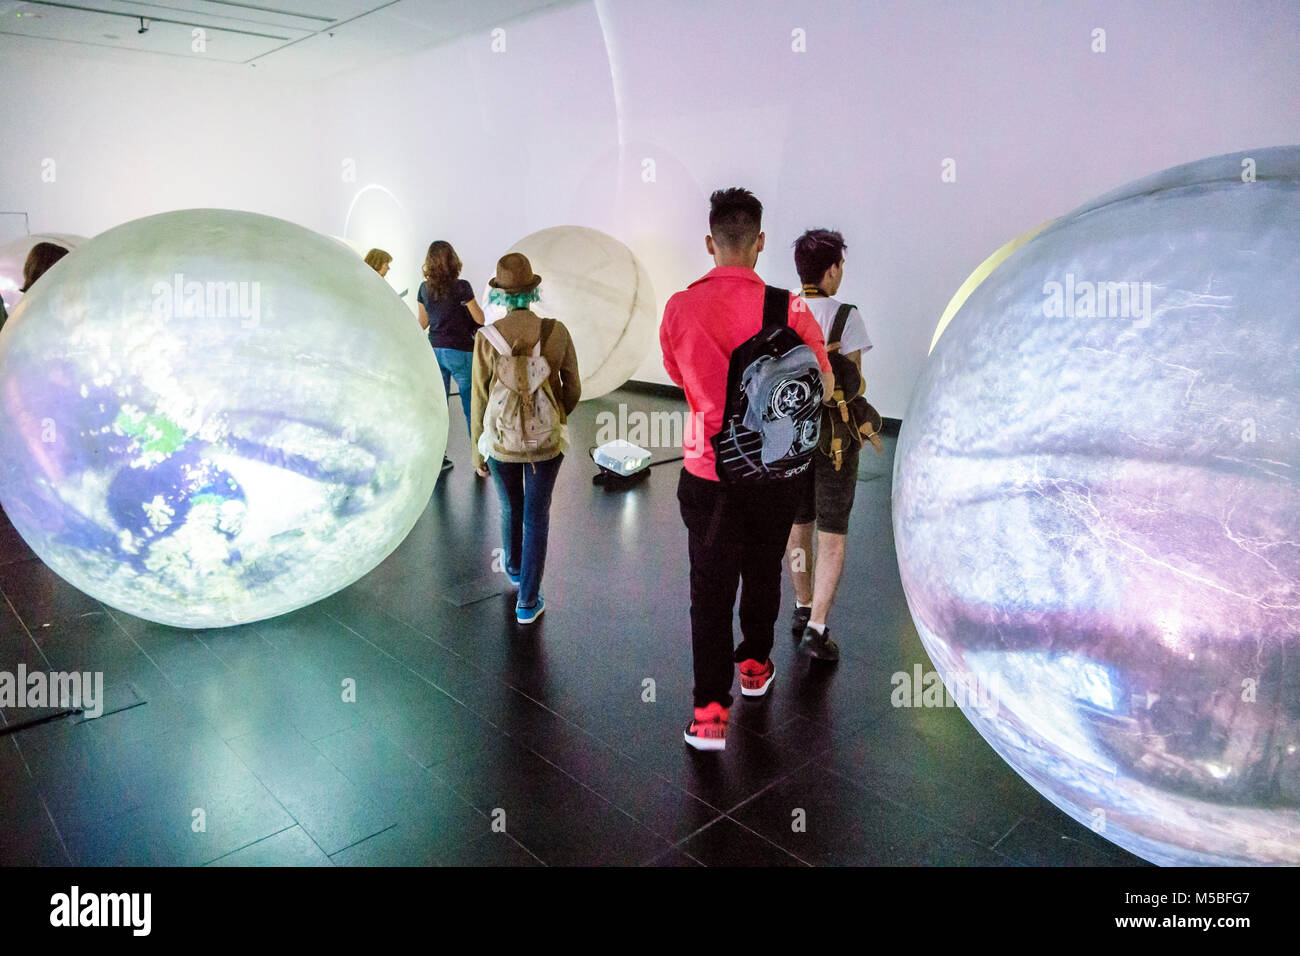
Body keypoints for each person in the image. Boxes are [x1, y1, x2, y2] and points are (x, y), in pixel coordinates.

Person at [660, 188, 833, 751]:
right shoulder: (792, 308)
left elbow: (684, 384)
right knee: (763, 571)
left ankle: (710, 714)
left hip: (709, 473)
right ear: (759, 244)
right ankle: (756, 667)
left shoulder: (680, 307)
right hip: (776, 473)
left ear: (711, 243)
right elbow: (823, 387)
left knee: (708, 591)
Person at [470, 252, 580, 625]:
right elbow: (574, 387)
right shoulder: (556, 331)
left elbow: (480, 398)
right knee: (536, 517)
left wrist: (476, 452)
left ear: (499, 293)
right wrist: (556, 415)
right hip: (545, 446)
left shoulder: (486, 339)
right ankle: (528, 602)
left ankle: (514, 568)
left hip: (500, 444)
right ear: (533, 290)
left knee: (509, 507)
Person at [785, 229, 873, 662]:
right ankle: (817, 628)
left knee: (798, 525)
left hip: (791, 439)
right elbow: (852, 386)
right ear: (833, 269)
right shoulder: (847, 316)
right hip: (836, 439)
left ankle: (801, 607)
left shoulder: (784, 312)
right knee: (832, 533)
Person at [418, 241, 485, 473]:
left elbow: (423, 323)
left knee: (439, 407)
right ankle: (479, 460)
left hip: (434, 351)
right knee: (471, 407)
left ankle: (439, 458)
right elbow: (479, 319)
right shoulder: (463, 287)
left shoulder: (423, 289)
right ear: (453, 260)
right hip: (461, 351)